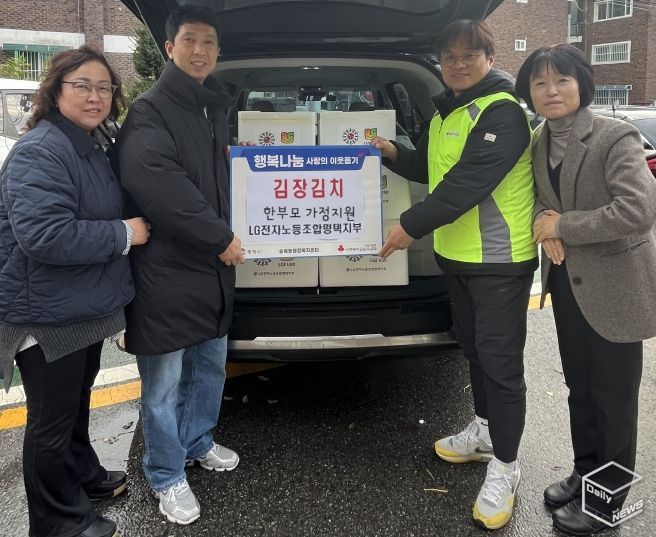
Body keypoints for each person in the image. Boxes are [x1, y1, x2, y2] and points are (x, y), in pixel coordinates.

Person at [371, 19, 537, 530]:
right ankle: (485, 432)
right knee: (474, 350)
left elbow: (467, 182)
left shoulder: (503, 112)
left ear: (490, 58)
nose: (458, 64)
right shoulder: (450, 113)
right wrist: (394, 154)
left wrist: (409, 225)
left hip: (499, 262)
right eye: (449, 57)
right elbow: (434, 171)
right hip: (458, 258)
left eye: (469, 55)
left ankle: (505, 467)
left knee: (500, 365)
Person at [0, 47, 150, 537]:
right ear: (56, 91)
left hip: (76, 306)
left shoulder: (88, 142)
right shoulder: (41, 151)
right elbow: (45, 236)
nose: (94, 96)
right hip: (45, 313)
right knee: (50, 422)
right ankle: (57, 522)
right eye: (82, 86)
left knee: (76, 402)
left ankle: (83, 475)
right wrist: (124, 233)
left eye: (104, 87)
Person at [516, 44, 656, 536]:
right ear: (528, 91)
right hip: (567, 283)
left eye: (562, 80)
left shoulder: (615, 136)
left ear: (582, 84)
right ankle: (585, 472)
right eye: (540, 83)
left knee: (614, 398)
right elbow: (540, 201)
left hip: (617, 286)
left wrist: (563, 226)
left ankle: (608, 499)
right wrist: (545, 221)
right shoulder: (538, 139)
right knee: (580, 388)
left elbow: (638, 210)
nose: (551, 91)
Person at [117, 5, 245, 526]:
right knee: (164, 383)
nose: (200, 50)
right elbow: (160, 186)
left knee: (208, 367)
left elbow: (214, 180)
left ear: (217, 52)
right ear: (169, 48)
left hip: (210, 269)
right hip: (167, 271)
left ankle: (197, 442)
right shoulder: (151, 110)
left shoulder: (212, 108)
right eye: (190, 40)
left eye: (209, 42)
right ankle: (166, 473)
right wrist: (220, 237)